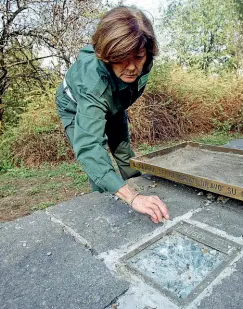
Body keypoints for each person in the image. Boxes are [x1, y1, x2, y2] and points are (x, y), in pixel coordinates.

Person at [55, 6, 169, 224]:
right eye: (121, 58)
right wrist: (131, 198)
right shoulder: (93, 84)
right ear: (107, 56)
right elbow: (89, 147)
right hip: (73, 104)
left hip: (114, 102)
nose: (132, 68)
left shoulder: (144, 57)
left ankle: (141, 192)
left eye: (138, 57)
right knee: (96, 159)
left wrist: (139, 192)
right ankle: (107, 207)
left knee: (123, 149)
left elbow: (131, 80)